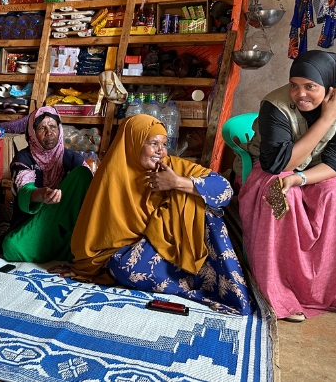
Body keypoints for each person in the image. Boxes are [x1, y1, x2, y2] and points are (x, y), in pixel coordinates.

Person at [52, 114, 252, 314]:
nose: (161, 151)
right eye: (153, 143)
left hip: (180, 245)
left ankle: (214, 282)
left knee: (205, 204)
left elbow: (225, 191)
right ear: (133, 143)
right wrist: (84, 268)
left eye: (163, 144)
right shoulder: (111, 177)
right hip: (142, 248)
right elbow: (97, 232)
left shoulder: (174, 167)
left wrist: (177, 183)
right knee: (125, 268)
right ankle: (191, 281)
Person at [238, 50, 336, 326]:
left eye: (310, 86)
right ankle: (280, 293)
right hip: (273, 169)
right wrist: (326, 119)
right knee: (280, 196)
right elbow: (281, 164)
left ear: (329, 86)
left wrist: (301, 179)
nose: (300, 94)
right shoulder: (275, 105)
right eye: (294, 85)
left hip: (321, 171)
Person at [2, 107, 93, 262]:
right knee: (10, 247)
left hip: (65, 220)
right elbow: (25, 189)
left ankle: (66, 246)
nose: (49, 132)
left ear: (60, 129)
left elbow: (90, 191)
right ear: (32, 133)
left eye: (53, 126)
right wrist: (42, 195)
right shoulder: (24, 158)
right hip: (36, 222)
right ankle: (65, 250)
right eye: (42, 128)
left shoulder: (72, 159)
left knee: (83, 174)